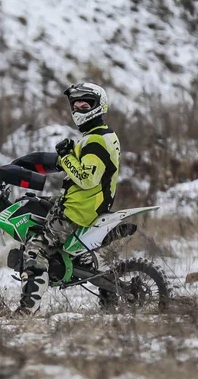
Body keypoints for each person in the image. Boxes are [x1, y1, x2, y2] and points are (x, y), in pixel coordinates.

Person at [17, 82, 121, 314]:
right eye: (76, 105)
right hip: (80, 202)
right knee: (33, 205)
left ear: (99, 106)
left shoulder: (96, 141)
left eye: (86, 105)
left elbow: (85, 178)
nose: (79, 109)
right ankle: (79, 261)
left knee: (36, 248)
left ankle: (28, 309)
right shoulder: (100, 135)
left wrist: (65, 156)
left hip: (80, 208)